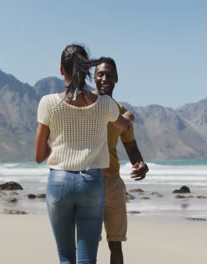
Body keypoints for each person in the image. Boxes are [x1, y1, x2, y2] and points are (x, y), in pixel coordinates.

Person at [35, 44, 133, 264]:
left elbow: (39, 155)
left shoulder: (48, 103)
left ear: (62, 70)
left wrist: (59, 143)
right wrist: (130, 119)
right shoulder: (105, 104)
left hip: (59, 181)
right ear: (87, 70)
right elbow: (125, 126)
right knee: (87, 258)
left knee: (66, 257)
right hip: (91, 182)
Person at [94, 57, 149, 264]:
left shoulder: (121, 112)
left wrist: (142, 166)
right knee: (88, 242)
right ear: (94, 77)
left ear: (116, 78)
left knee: (115, 244)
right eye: (100, 74)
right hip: (89, 181)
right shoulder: (84, 103)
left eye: (109, 74)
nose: (104, 78)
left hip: (113, 183)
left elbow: (132, 148)